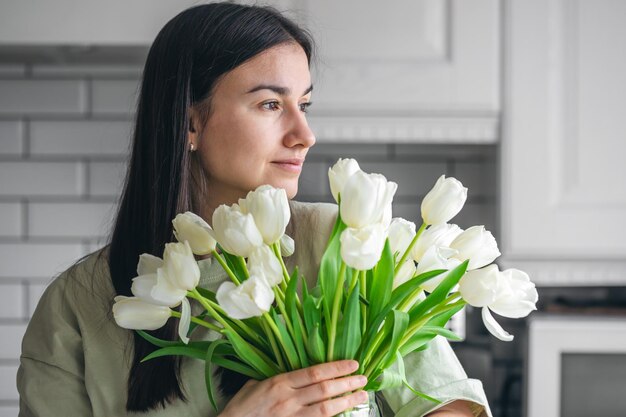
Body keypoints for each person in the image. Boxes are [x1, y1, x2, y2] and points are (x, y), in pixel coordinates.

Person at [17, 3, 492, 416]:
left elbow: (446, 403)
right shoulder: (79, 302)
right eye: (270, 104)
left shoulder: (343, 241)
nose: (304, 134)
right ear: (190, 122)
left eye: (304, 104)